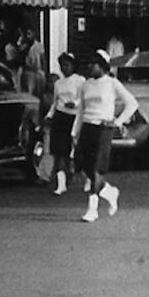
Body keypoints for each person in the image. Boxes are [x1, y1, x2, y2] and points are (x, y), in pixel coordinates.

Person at [71, 49, 139, 222]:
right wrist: (74, 132)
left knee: (94, 168)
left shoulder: (112, 83)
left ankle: (92, 209)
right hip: (87, 126)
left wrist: (117, 122)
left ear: (101, 65)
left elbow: (132, 103)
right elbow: (80, 110)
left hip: (103, 129)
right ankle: (109, 192)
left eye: (92, 64)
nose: (89, 67)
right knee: (84, 167)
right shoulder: (85, 85)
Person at [46, 52, 86, 196]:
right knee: (59, 150)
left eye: (67, 65)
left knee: (77, 148)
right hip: (60, 116)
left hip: (75, 116)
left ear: (73, 66)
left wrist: (74, 103)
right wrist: (50, 115)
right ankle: (61, 184)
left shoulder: (80, 81)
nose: (64, 68)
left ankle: (87, 177)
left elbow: (84, 98)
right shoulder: (58, 83)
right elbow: (55, 102)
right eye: (62, 65)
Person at [20, 28, 47, 101]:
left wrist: (44, 71)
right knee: (30, 92)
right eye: (26, 34)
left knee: (40, 92)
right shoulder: (23, 46)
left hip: (38, 71)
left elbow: (42, 58)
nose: (28, 36)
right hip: (29, 71)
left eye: (29, 34)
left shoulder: (39, 45)